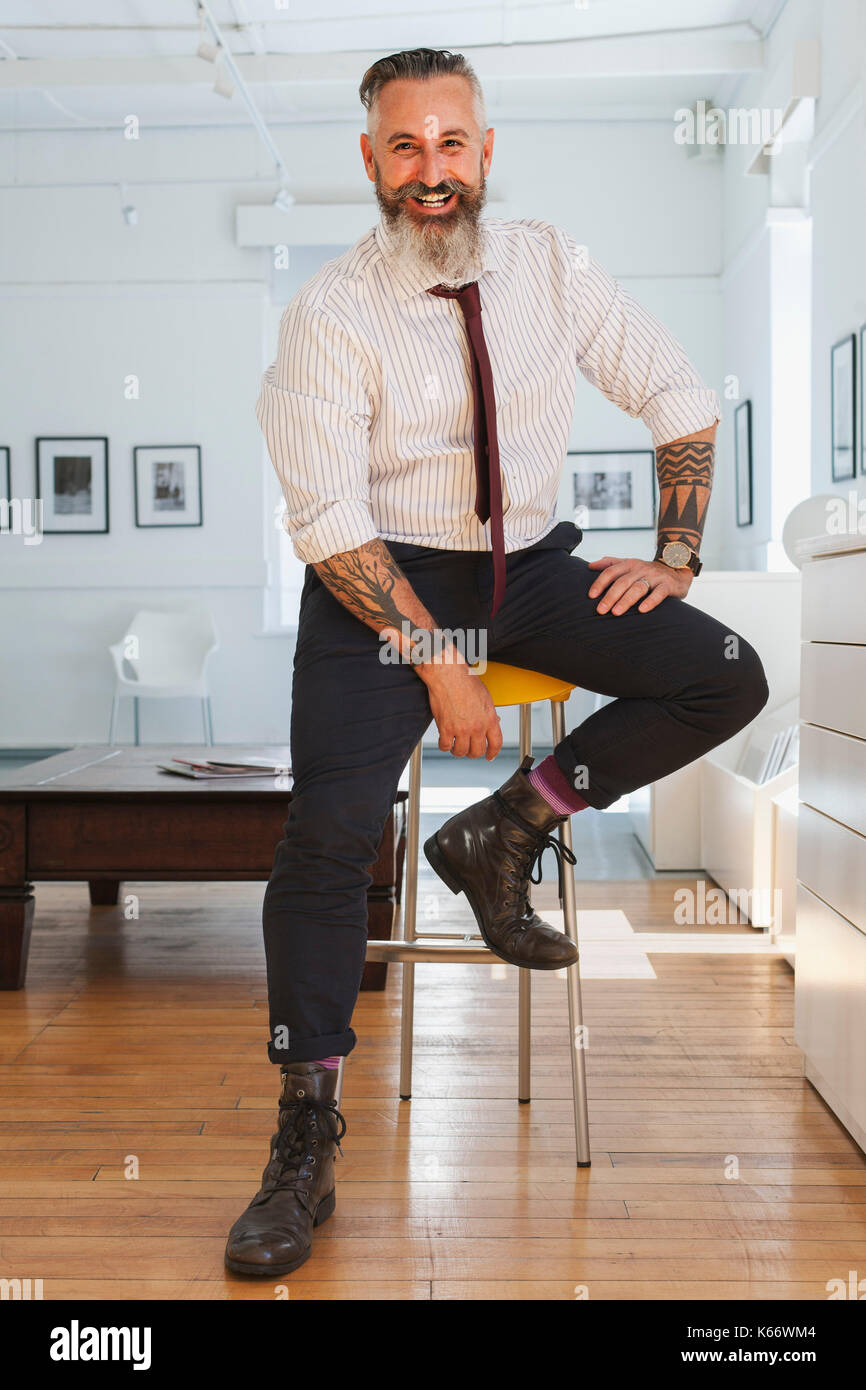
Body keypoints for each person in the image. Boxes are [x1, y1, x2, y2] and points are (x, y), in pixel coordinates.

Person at [224, 46, 769, 1277]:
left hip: (525, 570)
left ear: (483, 149)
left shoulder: (548, 267)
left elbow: (680, 396)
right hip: (380, 586)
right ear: (369, 160)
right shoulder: (327, 316)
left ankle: (508, 827)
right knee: (326, 832)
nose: (432, 171)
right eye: (403, 147)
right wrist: (439, 664)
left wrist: (674, 555)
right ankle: (304, 1123)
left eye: (451, 143)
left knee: (724, 672)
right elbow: (328, 526)